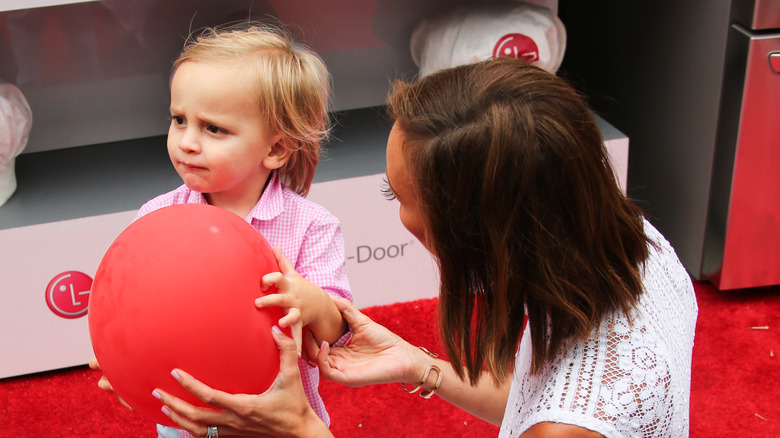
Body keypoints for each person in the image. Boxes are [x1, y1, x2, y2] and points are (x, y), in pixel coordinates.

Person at [152, 57, 698, 438]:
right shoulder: (636, 244)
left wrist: (299, 429)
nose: (398, 216)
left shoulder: (566, 430)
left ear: (478, 233)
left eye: (401, 195)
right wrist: (418, 364)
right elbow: (544, 392)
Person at [89, 22, 353, 438]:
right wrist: (124, 358)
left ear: (275, 148)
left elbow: (340, 335)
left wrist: (309, 300)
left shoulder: (310, 225)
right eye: (179, 120)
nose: (188, 142)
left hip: (274, 421)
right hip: (183, 416)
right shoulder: (157, 216)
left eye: (213, 128)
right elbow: (135, 309)